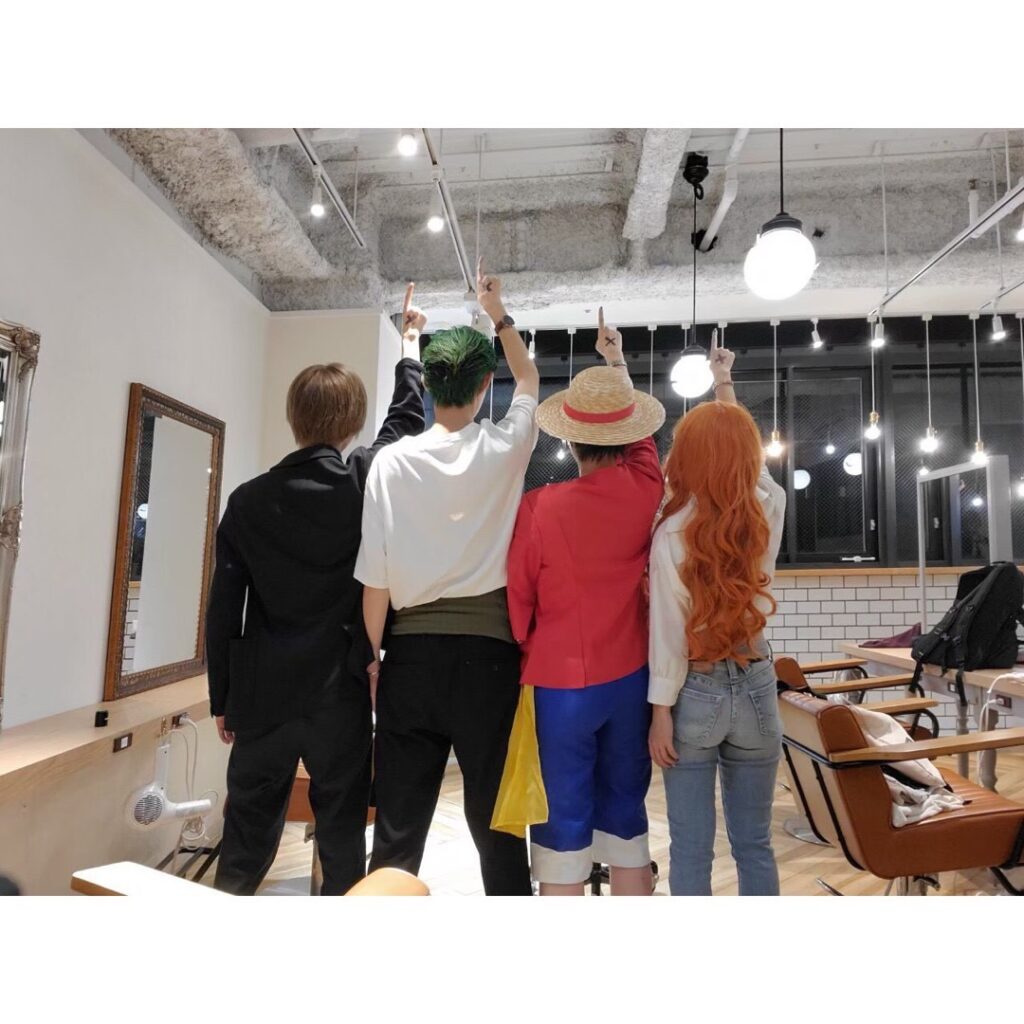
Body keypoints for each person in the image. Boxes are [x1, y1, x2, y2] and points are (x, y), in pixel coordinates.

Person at [205, 285, 426, 896]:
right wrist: (409, 346)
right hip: (340, 695)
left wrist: (223, 697)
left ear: (293, 418)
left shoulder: (247, 501)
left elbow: (223, 610)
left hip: (261, 696)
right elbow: (405, 423)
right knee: (342, 841)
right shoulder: (362, 485)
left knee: (244, 843)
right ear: (352, 423)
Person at [356, 258, 539, 896]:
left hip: (410, 659)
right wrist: (497, 313)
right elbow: (529, 378)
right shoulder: (505, 447)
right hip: (490, 662)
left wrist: (374, 660)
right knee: (498, 828)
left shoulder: (390, 464)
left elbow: (375, 583)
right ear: (484, 385)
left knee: (397, 830)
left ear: (429, 385)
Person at [506, 310, 665, 896]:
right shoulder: (645, 488)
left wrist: (530, 644)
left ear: (569, 439)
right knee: (626, 814)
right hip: (630, 676)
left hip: (558, 684)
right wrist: (616, 362)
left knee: (561, 821)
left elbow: (518, 597)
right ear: (625, 440)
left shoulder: (540, 506)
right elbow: (645, 447)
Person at [647, 344, 786, 896]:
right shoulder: (768, 508)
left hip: (695, 690)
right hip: (757, 685)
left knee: (690, 848)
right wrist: (723, 382)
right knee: (755, 844)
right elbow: (756, 469)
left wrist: (660, 713)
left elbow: (666, 634)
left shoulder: (672, 533)